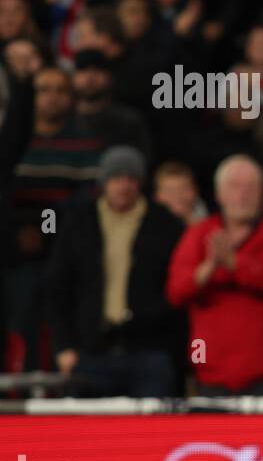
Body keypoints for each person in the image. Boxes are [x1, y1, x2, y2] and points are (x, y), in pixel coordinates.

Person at [45, 145, 185, 397]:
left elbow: (177, 290)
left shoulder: (165, 224)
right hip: (91, 351)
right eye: (116, 177)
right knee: (88, 434)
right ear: (104, 181)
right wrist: (64, 345)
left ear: (140, 182)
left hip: (149, 352)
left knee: (152, 434)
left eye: (131, 178)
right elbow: (58, 288)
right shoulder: (78, 222)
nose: (124, 185)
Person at [166, 155, 263, 396]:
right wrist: (207, 269)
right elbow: (176, 292)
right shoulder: (201, 234)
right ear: (219, 195)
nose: (244, 194)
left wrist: (235, 264)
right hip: (213, 375)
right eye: (235, 187)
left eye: (251, 187)